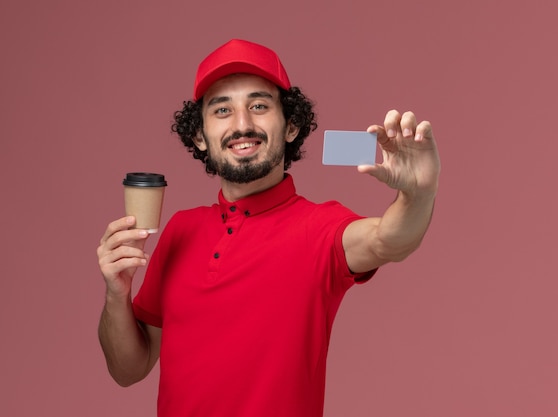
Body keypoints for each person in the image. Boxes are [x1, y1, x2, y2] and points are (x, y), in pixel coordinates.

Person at [97, 39, 440, 417]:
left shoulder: (320, 228)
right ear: (200, 136)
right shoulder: (181, 230)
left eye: (259, 106)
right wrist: (117, 292)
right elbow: (128, 370)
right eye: (222, 110)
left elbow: (389, 239)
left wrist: (419, 194)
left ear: (291, 125)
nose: (242, 125)